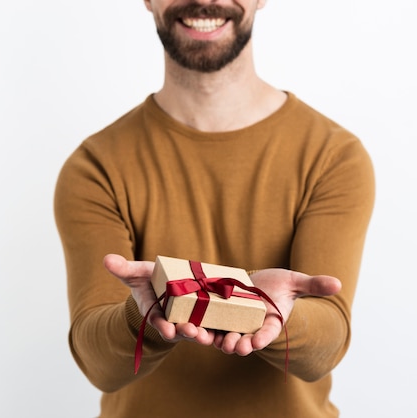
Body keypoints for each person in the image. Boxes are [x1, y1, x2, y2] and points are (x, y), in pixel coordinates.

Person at [54, 1, 375, 417]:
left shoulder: (333, 156)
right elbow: (98, 362)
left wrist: (274, 315)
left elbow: (326, 347)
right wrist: (143, 315)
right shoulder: (94, 166)